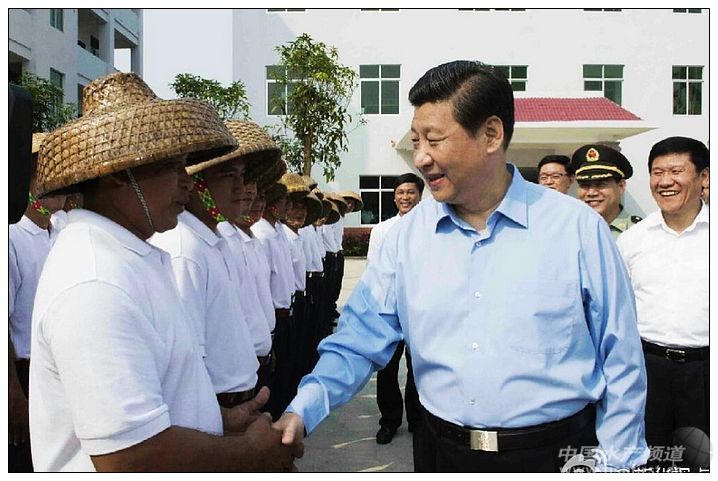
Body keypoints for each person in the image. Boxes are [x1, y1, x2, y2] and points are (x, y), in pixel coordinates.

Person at [274, 60, 648, 472]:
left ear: (491, 134)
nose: (421, 157)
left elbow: (621, 358)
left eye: (434, 140)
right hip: (441, 452)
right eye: (416, 141)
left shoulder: (576, 229)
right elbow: (359, 338)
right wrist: (302, 409)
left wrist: (617, 464)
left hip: (554, 453)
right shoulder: (408, 237)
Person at [29, 72, 299, 471]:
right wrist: (252, 453)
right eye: (172, 166)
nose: (186, 183)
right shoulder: (95, 280)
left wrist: (216, 421)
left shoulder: (128, 258)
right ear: (117, 171)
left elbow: (155, 394)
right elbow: (127, 456)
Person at [616, 136, 709, 471]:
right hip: (648, 369)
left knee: (701, 462)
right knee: (649, 461)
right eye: (657, 172)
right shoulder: (633, 240)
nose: (665, 181)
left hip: (705, 371)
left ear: (704, 177)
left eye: (676, 171)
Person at [9, 133, 66, 472]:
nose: (53, 182)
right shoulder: (11, 236)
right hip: (24, 374)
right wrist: (14, 396)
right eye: (41, 174)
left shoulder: (62, 229)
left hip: (59, 368)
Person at [366, 173, 423, 445]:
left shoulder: (431, 228)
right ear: (394, 197)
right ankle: (389, 420)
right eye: (401, 192)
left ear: (420, 196)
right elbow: (373, 270)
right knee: (387, 368)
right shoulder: (382, 230)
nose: (405, 197)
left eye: (410, 192)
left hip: (419, 309)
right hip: (389, 309)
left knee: (418, 367)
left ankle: (417, 419)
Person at [571, 144, 642, 238]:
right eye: (585, 185)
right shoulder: (570, 230)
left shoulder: (640, 232)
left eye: (601, 185)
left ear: (621, 186)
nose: (591, 193)